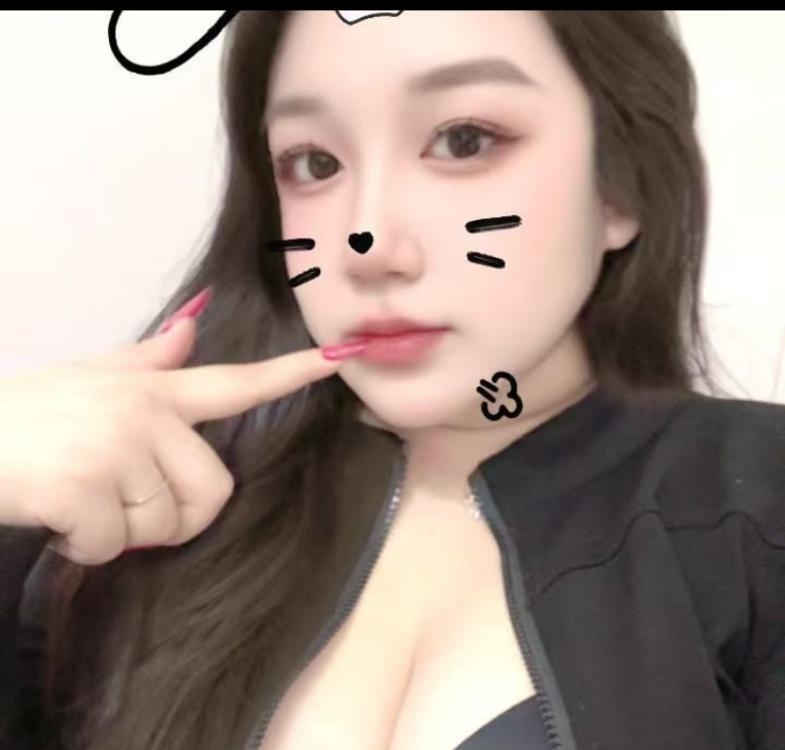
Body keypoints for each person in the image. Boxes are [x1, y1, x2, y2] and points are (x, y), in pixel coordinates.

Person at [0, 10, 782, 750]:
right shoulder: (156, 516)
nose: (367, 243)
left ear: (621, 184)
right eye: (314, 163)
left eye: (464, 140)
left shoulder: (752, 510)